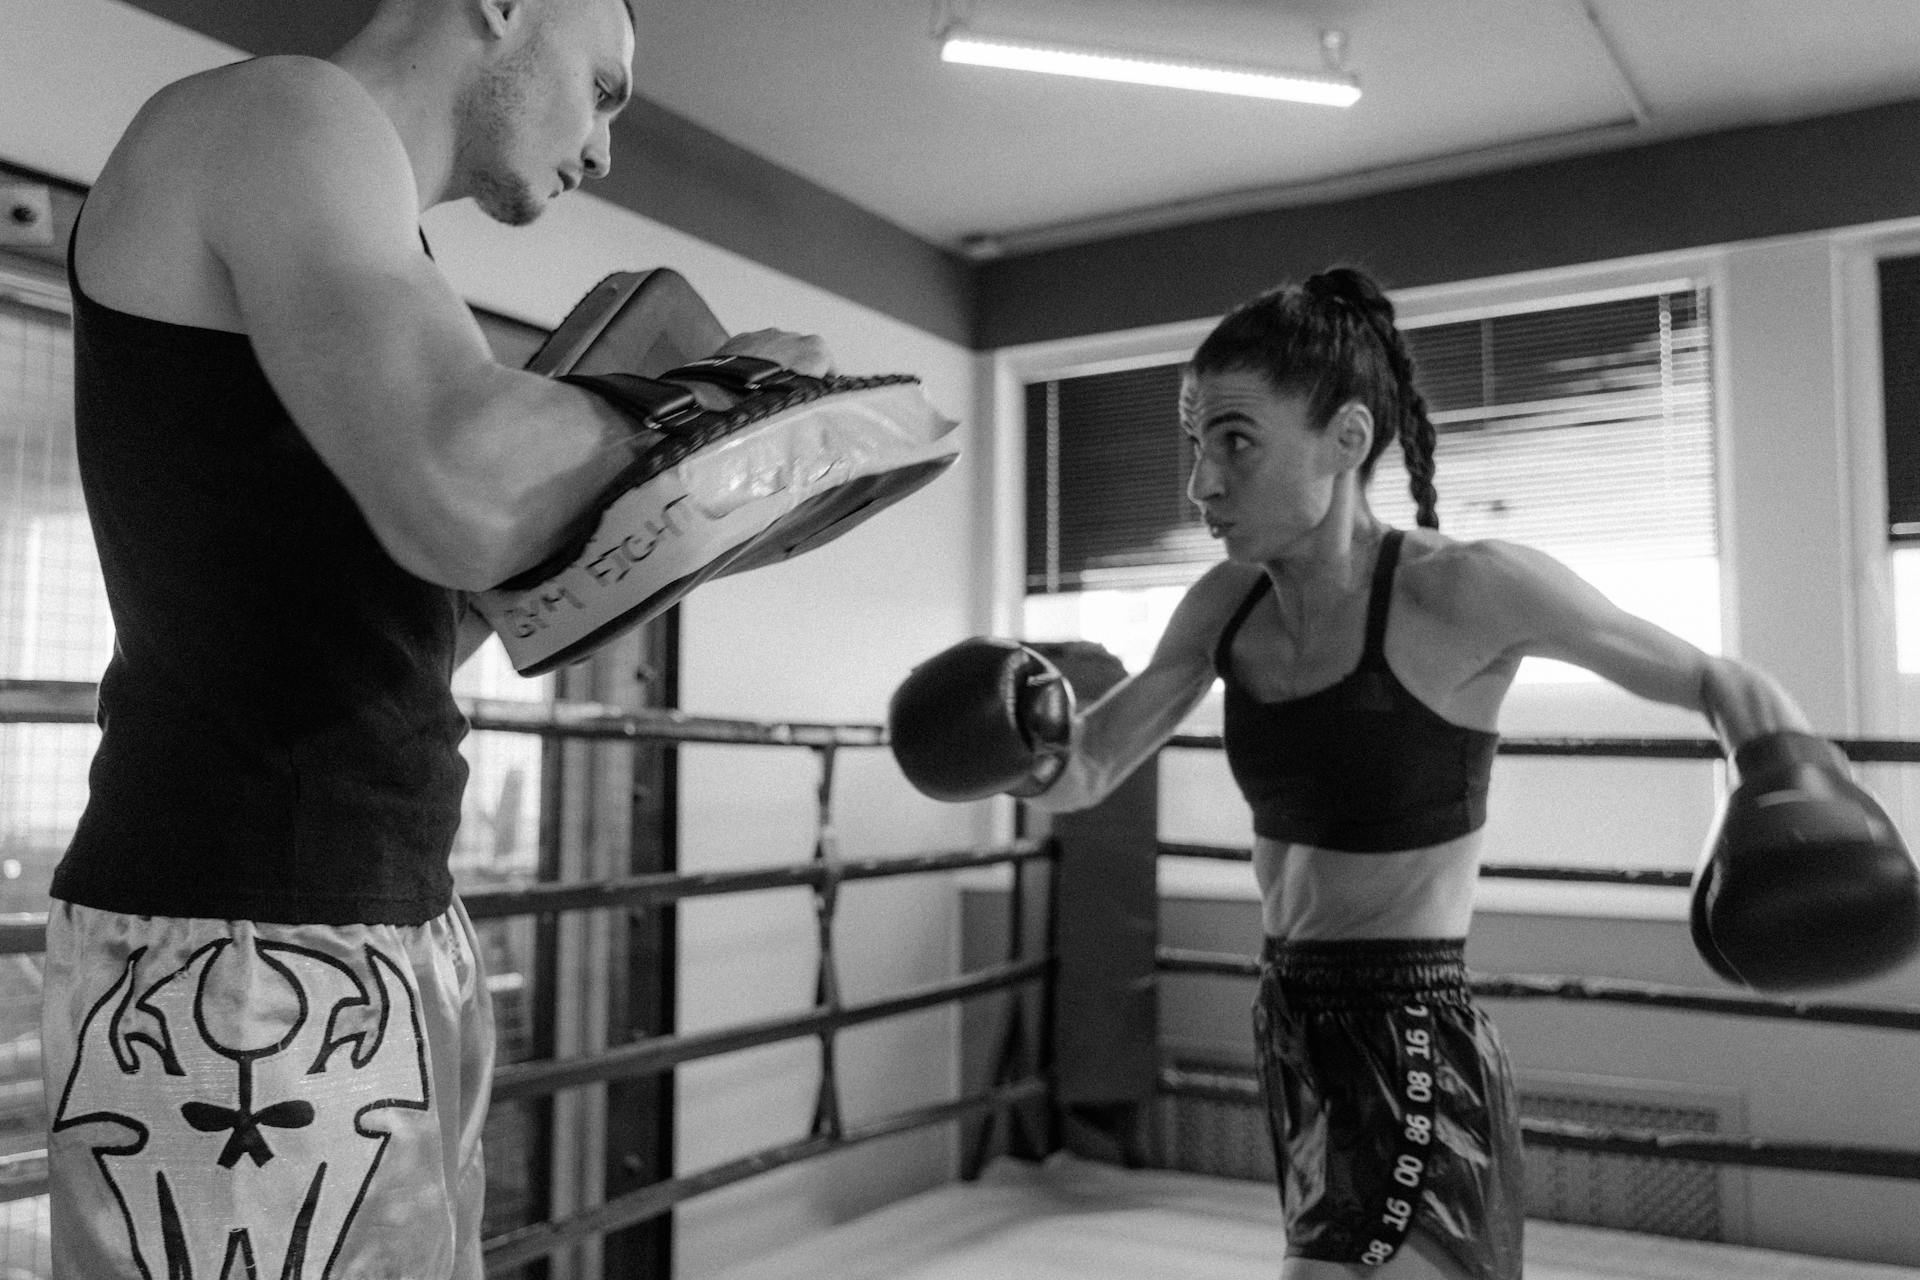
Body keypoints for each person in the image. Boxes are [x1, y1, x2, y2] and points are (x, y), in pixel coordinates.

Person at [41, 0, 827, 1275]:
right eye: (607, 89)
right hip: (243, 946)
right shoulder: (279, 112)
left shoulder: (368, 236)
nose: (608, 146)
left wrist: (661, 517)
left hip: (380, 916)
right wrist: (721, 394)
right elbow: (463, 487)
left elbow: (400, 621)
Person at [888, 265, 1847, 1279]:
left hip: (1410, 1032)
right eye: (1195, 444)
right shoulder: (1225, 605)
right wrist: (1007, 744)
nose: (1201, 483)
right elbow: (1087, 767)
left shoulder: (1466, 590)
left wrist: (1783, 773)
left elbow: (1711, 675)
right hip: (1293, 1020)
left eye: (1236, 441)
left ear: (1346, 439)